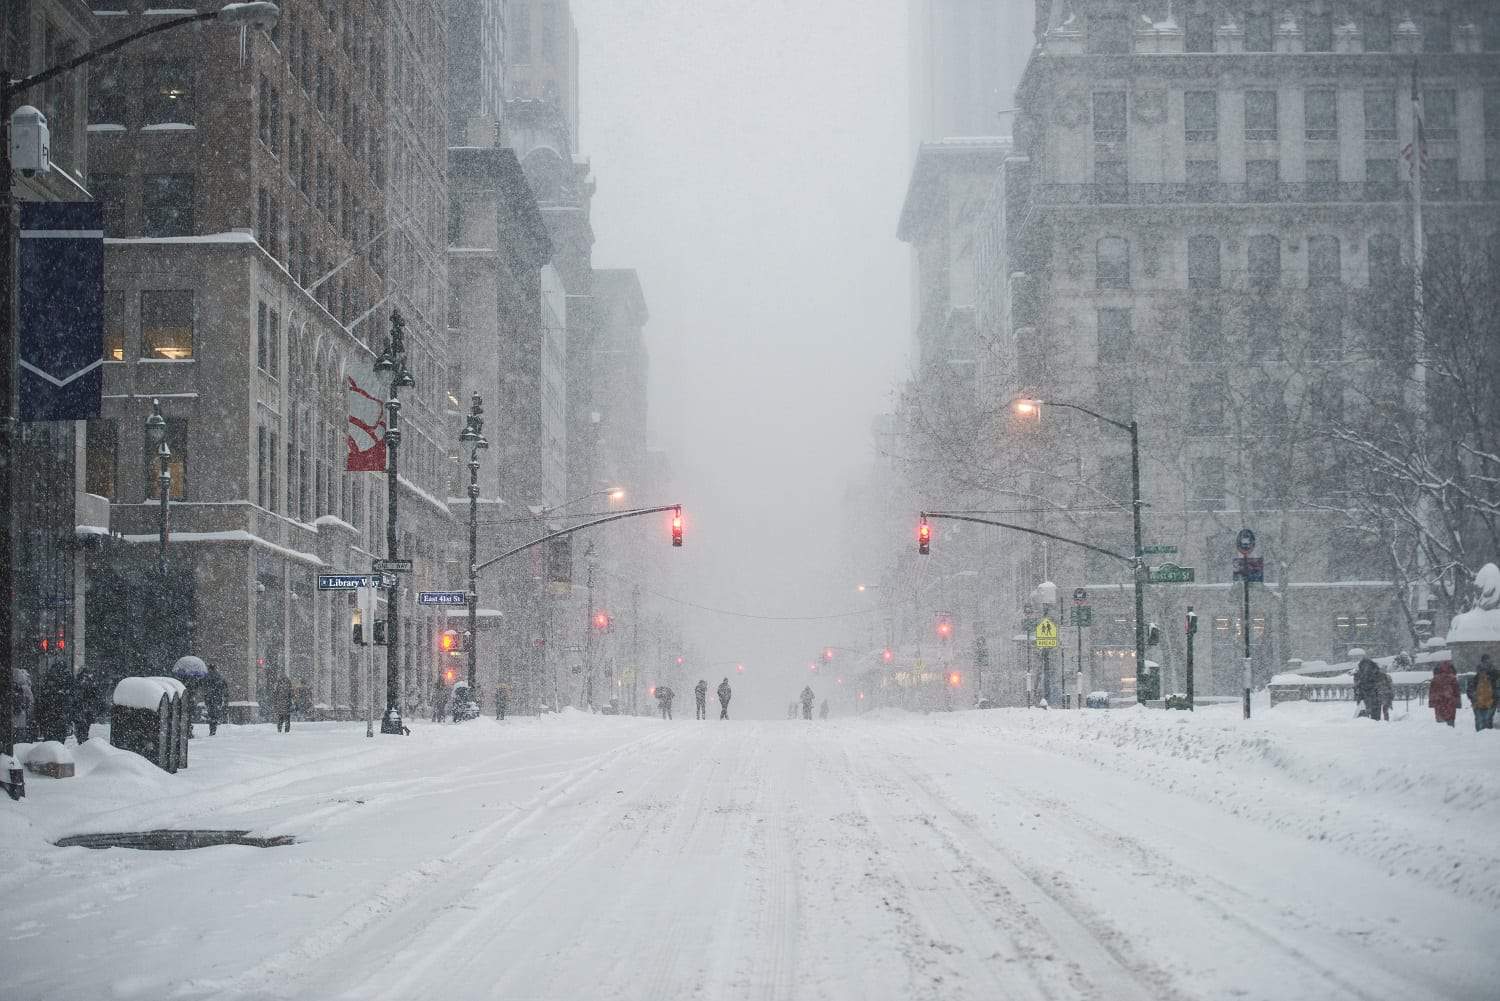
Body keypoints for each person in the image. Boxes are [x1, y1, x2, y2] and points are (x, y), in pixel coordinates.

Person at [35, 661, 73, 744]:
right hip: (58, 712)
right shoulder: (66, 676)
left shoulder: (49, 677)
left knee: (50, 736)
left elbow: (43, 697)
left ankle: (51, 747)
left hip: (49, 713)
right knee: (59, 736)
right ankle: (57, 748)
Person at [1466, 654, 1499, 731]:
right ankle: (1486, 736)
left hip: (1479, 703)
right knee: (1487, 721)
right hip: (1490, 702)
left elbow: (1470, 691)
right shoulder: (1494, 674)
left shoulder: (1476, 677)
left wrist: (1474, 699)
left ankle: (1480, 736)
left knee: (1480, 722)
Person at [72, 664, 101, 743]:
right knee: (86, 723)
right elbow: (95, 693)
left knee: (80, 723)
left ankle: (81, 738)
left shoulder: (79, 679)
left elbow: (75, 693)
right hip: (87, 705)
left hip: (81, 705)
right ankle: (83, 737)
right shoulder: (90, 680)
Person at [1429, 661, 1460, 727]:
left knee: (1440, 724)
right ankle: (1450, 731)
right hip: (1450, 704)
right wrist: (1458, 703)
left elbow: (1432, 692)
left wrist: (1431, 703)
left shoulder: (1435, 679)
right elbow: (1456, 692)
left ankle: (1441, 733)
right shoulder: (1453, 679)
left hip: (1439, 704)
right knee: (1450, 722)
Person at [202, 663, 228, 736]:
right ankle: (214, 727)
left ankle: (212, 728)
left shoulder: (206, 676)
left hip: (209, 698)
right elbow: (224, 686)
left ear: (209, 668)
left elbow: (203, 685)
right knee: (215, 713)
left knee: (211, 713)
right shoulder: (219, 676)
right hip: (217, 697)